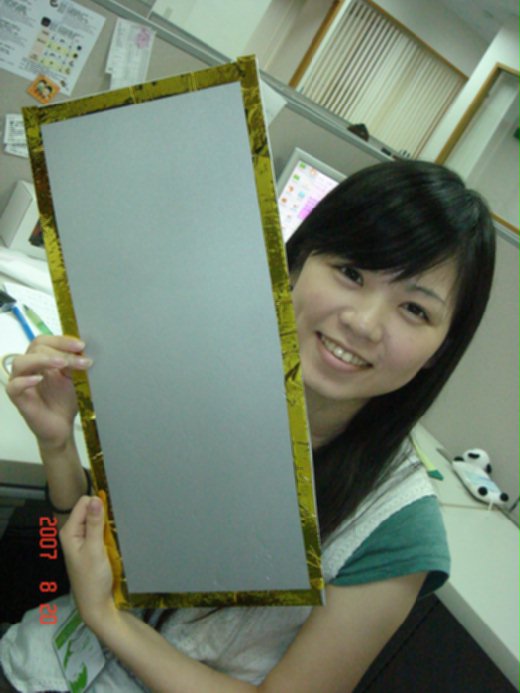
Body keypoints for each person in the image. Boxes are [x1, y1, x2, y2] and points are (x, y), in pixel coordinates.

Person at [0, 160, 495, 692]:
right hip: (38, 659)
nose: (363, 323)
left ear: (439, 351)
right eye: (352, 273)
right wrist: (57, 445)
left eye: (415, 310)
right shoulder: (204, 375)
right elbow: (84, 547)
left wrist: (109, 619)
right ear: (297, 262)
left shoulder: (397, 529)